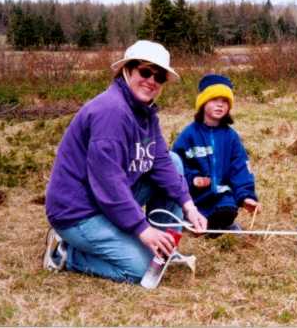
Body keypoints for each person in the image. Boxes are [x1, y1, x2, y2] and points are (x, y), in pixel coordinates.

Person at [43, 40, 207, 283]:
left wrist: (189, 206)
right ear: (127, 70)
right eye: (145, 71)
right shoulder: (111, 111)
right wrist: (143, 230)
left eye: (159, 76)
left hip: (105, 200)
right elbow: (109, 183)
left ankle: (163, 250)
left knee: (173, 161)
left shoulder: (145, 111)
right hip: (79, 211)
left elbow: (160, 160)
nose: (152, 80)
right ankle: (66, 253)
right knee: (141, 270)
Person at [172, 74, 261, 232]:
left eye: (225, 101)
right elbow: (176, 166)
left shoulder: (231, 136)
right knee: (196, 210)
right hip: (196, 196)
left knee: (227, 208)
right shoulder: (188, 135)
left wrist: (246, 196)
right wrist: (193, 178)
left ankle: (219, 225)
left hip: (221, 194)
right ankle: (194, 220)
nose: (220, 105)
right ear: (203, 103)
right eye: (214, 100)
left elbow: (240, 167)